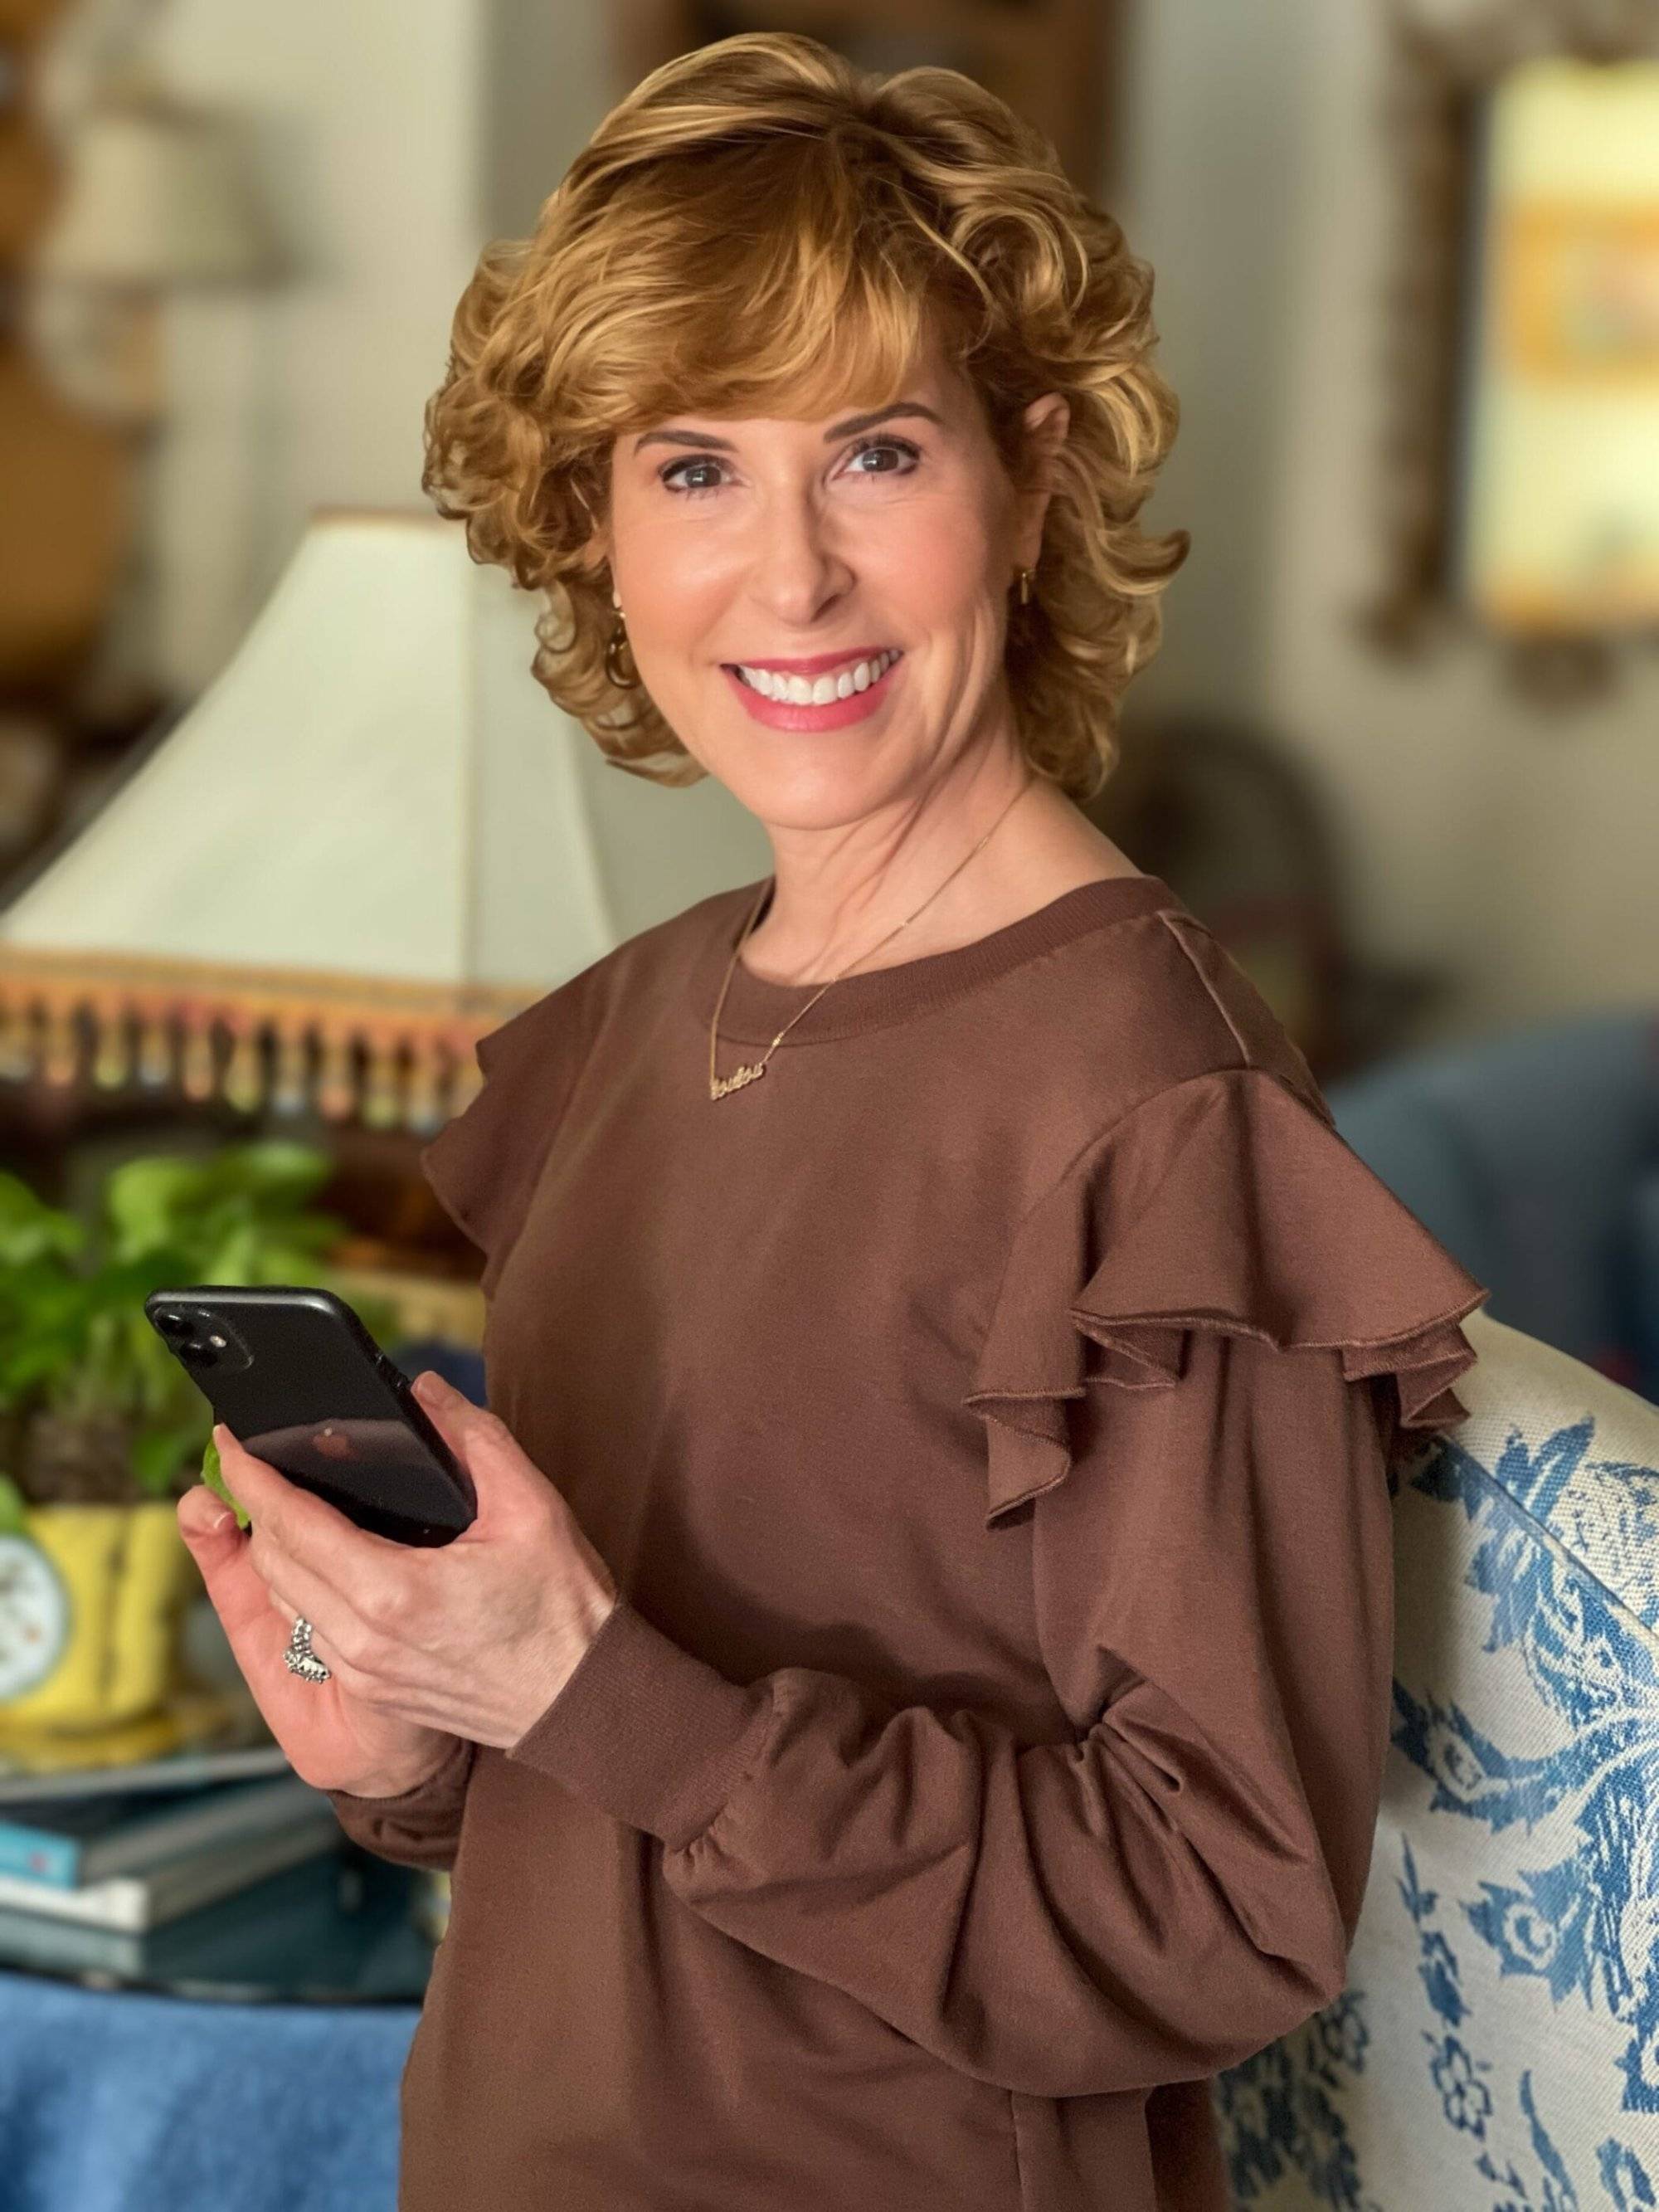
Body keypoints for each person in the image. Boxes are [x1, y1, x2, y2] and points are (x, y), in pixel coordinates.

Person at [177, 32, 1490, 2212]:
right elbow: (609, 1766)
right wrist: (417, 1749)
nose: (786, 579)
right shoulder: (644, 1021)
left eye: (874, 451)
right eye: (691, 466)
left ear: (1034, 471)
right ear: (589, 519)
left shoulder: (1152, 1109)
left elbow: (1219, 1906)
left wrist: (591, 1683)